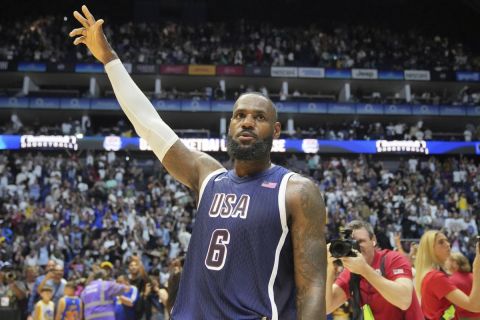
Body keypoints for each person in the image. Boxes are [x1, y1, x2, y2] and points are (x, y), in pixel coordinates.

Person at [70, 5, 326, 319]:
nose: (246, 122)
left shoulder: (297, 191)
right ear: (229, 126)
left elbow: (312, 289)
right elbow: (150, 125)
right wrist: (109, 58)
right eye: (239, 116)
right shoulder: (208, 176)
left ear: (274, 131)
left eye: (258, 118)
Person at [325, 220, 423, 319]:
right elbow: (327, 307)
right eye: (350, 243)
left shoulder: (392, 259)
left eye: (360, 241)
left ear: (373, 240)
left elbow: (404, 301)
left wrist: (365, 270)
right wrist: (328, 267)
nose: (356, 247)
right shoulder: (350, 272)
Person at [415, 231, 480, 320]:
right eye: (441, 242)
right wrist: (477, 270)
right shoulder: (436, 277)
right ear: (430, 249)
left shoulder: (428, 274)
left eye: (447, 241)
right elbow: (474, 306)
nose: (448, 244)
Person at [446, 252, 480, 320]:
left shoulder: (451, 280)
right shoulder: (474, 277)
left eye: (447, 261)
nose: (446, 264)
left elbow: (452, 305)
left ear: (454, 263)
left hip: (462, 316)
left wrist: (445, 317)